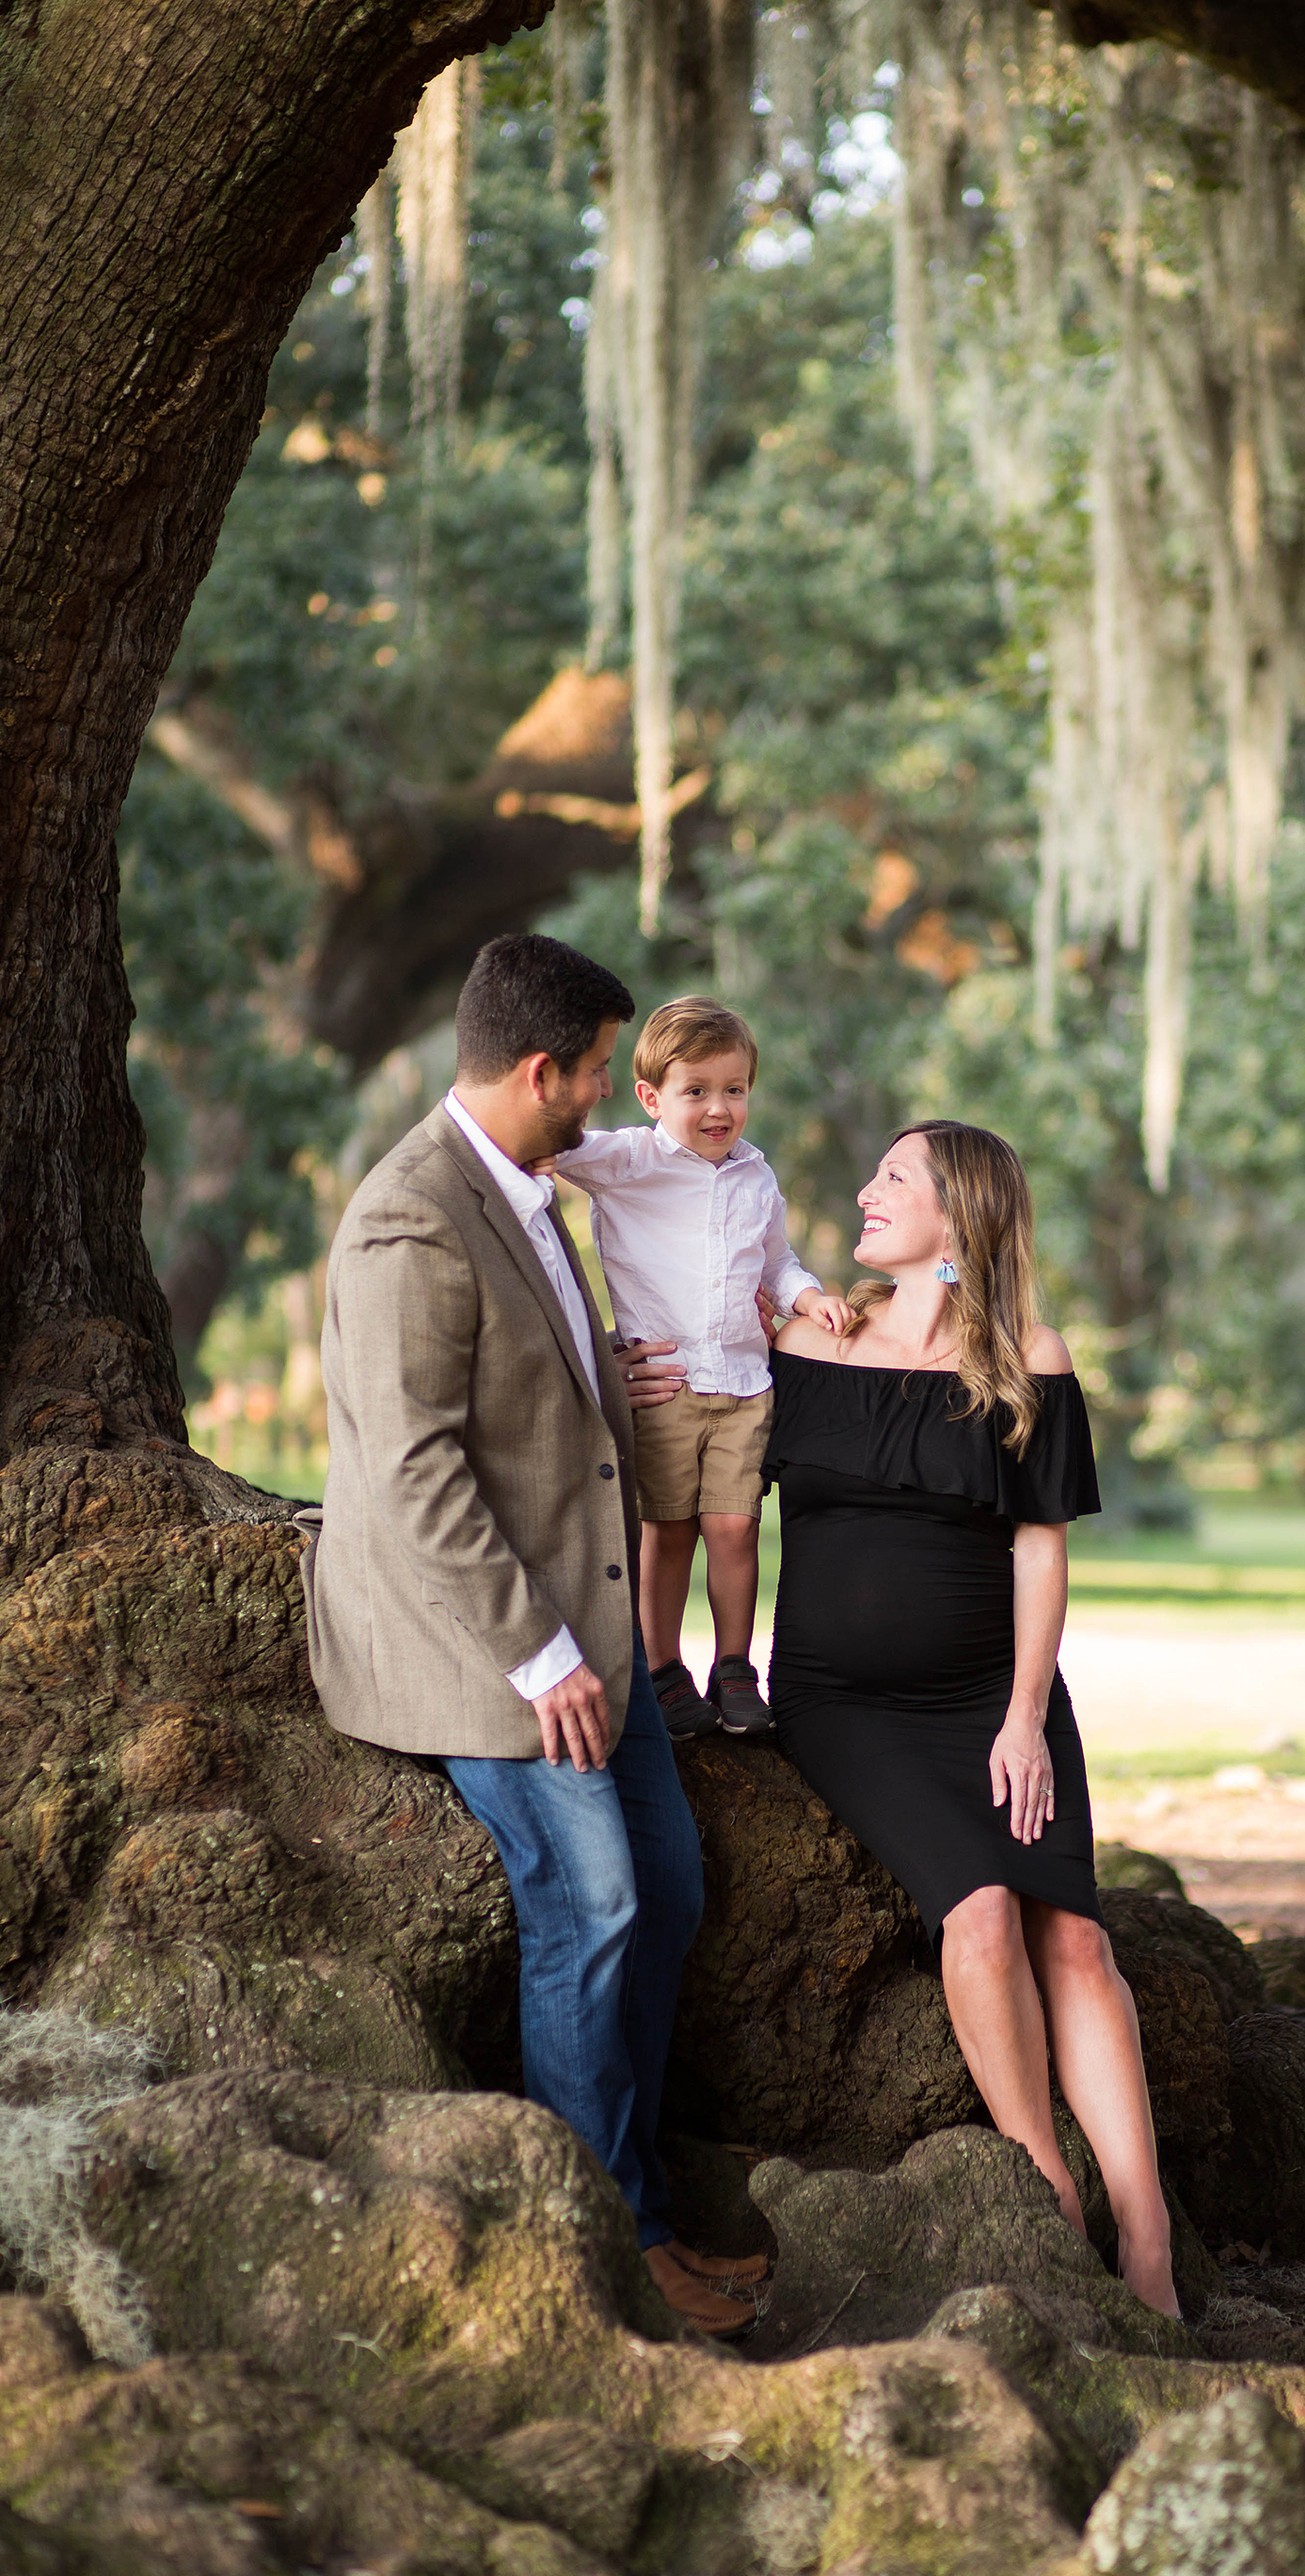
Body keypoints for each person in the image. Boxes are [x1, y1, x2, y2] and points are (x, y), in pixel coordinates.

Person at [302, 932, 761, 2339]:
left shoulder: (526, 1188)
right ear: (540, 1069)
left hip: (585, 1618)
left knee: (670, 1890)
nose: (614, 1098)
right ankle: (607, 2243)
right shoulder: (411, 1217)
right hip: (484, 1643)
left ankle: (642, 2204)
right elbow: (414, 1470)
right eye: (602, 1073)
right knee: (595, 1902)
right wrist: (541, 1655)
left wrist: (612, 1377)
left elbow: (521, 1378)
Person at [766, 1120, 1179, 2319]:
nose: (865, 1190)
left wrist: (1022, 1718)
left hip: (994, 1697)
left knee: (1076, 1939)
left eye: (893, 1177)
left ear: (958, 1213)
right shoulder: (806, 1338)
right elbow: (691, 1440)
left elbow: (1038, 1552)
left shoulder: (1027, 1359)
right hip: (845, 1702)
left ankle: (1148, 2234)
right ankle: (1046, 2188)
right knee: (984, 1910)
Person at [553, 995, 847, 1741]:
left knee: (735, 1527)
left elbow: (776, 1262)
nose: (719, 1108)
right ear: (651, 1097)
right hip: (666, 1385)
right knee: (669, 1529)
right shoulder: (627, 1160)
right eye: (696, 1091)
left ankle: (734, 1668)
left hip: (745, 1385)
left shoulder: (756, 1176)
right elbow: (539, 1145)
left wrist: (808, 1298)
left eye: (735, 1089)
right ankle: (662, 1670)